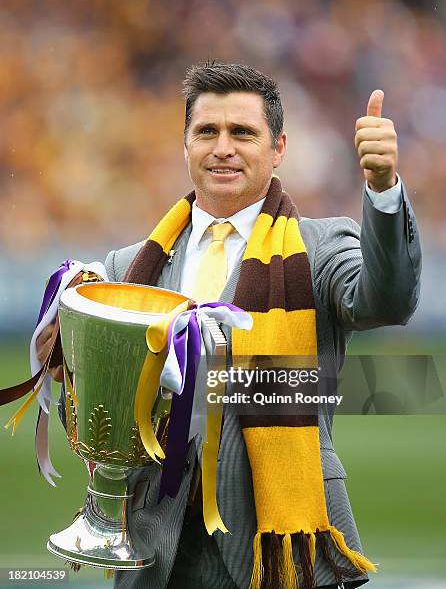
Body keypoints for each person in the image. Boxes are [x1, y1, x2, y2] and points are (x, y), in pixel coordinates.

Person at [37, 62, 421, 589]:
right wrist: (67, 360)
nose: (223, 148)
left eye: (243, 132)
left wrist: (383, 189)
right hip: (157, 550)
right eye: (207, 132)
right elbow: (102, 409)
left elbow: (389, 301)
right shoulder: (128, 269)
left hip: (281, 543)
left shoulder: (321, 246)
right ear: (186, 145)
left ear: (278, 147)